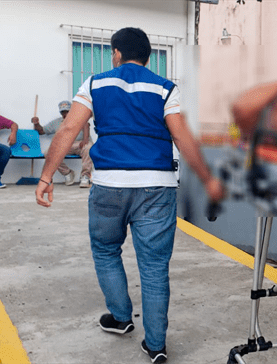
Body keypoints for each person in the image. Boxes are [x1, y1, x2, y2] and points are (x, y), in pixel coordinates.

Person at [34, 27, 224, 364]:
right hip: (157, 186)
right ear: (149, 57)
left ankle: (121, 318)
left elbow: (68, 129)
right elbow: (183, 138)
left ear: (117, 53)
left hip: (109, 185)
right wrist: (209, 180)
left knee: (106, 250)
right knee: (154, 267)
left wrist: (47, 176)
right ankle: (155, 345)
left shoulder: (94, 83)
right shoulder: (165, 88)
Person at [32, 100, 93, 187]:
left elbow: (86, 125)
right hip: (64, 145)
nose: (65, 114)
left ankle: (85, 176)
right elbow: (42, 131)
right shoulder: (56, 122)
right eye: (63, 112)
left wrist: (85, 139)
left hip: (79, 144)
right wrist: (36, 123)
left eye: (67, 111)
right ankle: (67, 173)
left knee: (89, 147)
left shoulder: (80, 117)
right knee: (48, 153)